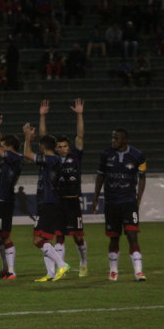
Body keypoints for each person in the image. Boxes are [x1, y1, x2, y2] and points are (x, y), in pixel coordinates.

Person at [39, 99, 88, 277]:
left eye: (65, 146)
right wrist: (42, 117)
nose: (62, 149)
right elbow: (44, 138)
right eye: (59, 146)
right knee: (59, 235)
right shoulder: (54, 160)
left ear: (69, 147)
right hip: (58, 202)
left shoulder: (75, 156)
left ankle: (83, 262)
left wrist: (79, 114)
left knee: (77, 237)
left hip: (73, 202)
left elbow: (80, 136)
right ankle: (61, 269)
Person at [92, 129, 147, 281]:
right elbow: (100, 176)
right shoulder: (106, 155)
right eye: (112, 138)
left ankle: (138, 272)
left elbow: (142, 177)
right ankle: (113, 270)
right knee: (114, 238)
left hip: (128, 203)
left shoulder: (137, 156)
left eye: (115, 138)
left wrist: (138, 199)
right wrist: (96, 198)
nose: (113, 140)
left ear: (124, 140)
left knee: (132, 235)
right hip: (111, 203)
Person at [22, 122, 70, 282]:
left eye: (40, 145)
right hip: (46, 203)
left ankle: (62, 264)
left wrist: (27, 138)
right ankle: (50, 274)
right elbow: (27, 157)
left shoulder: (51, 159)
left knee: (37, 239)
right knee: (45, 239)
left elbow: (28, 154)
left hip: (49, 203)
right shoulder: (49, 160)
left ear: (43, 146)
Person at [0, 109, 22, 280]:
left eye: (4, 145)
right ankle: (4, 268)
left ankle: (12, 270)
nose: (1, 147)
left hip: (4, 202)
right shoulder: (8, 157)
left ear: (10, 148)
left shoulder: (15, 158)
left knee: (5, 235)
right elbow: (0, 142)